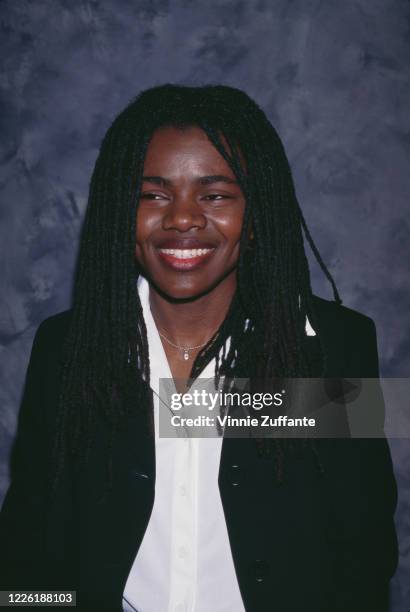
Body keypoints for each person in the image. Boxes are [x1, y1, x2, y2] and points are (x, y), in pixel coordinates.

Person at [0, 84, 398, 611]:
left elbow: (364, 554)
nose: (182, 218)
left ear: (255, 216)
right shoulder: (67, 349)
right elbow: (27, 556)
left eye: (214, 195)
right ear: (121, 211)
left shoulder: (331, 347)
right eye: (154, 195)